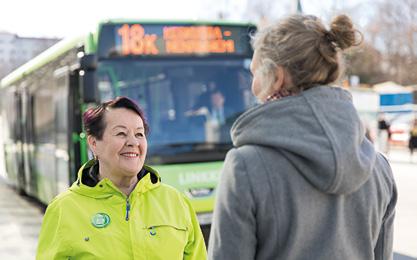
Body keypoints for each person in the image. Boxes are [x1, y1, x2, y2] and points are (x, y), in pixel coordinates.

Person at [208, 14, 397, 260]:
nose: (252, 87)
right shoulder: (379, 168)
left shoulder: (245, 166)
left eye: (254, 73)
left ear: (276, 77)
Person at [37, 97, 207, 259]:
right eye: (121, 133)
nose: (133, 142)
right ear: (94, 143)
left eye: (139, 134)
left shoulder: (176, 202)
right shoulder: (64, 209)